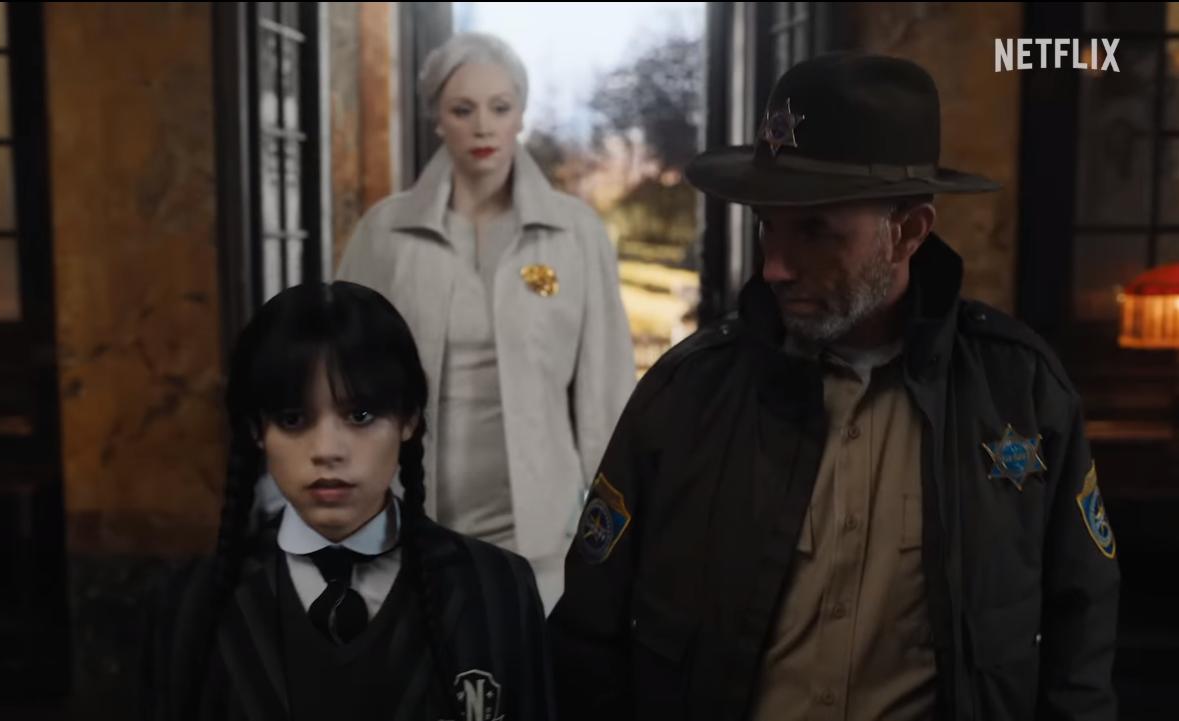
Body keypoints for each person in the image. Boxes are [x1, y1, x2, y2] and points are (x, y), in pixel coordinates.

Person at [548, 52, 1119, 721]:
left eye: (814, 231)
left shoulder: (1019, 394)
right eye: (768, 227)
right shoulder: (686, 395)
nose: (775, 267)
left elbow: (1081, 637)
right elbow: (587, 636)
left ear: (907, 232)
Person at [142, 282, 554, 721]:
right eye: (293, 419)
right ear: (258, 431)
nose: (327, 450)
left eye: (360, 416)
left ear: (409, 420)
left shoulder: (495, 588)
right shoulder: (193, 604)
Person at [338, 32, 636, 613]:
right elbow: (344, 381)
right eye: (462, 109)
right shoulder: (384, 234)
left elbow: (606, 394)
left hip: (543, 536)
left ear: (521, 115)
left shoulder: (576, 235)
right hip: (409, 524)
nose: (483, 127)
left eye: (500, 108)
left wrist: (615, 531)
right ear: (437, 119)